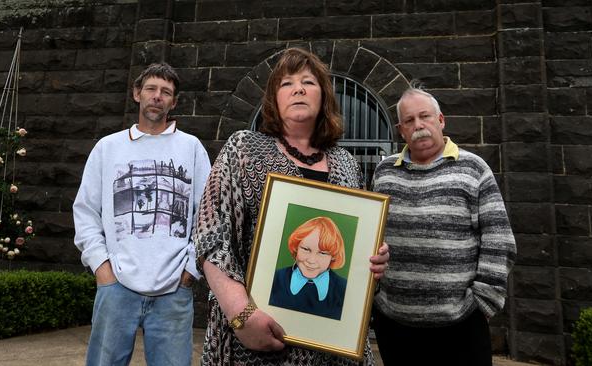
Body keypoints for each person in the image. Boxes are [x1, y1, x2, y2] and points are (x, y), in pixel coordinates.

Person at [193, 47, 389, 365]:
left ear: (324, 96)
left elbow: (355, 255)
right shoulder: (244, 149)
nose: (298, 88)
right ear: (274, 99)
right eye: (287, 83)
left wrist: (373, 262)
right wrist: (241, 315)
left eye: (308, 82)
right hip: (254, 347)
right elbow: (211, 236)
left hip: (334, 350)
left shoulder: (347, 164)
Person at [73, 62, 211, 366]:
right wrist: (102, 269)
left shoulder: (192, 148)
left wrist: (190, 272)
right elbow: (85, 212)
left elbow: (208, 217)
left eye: (166, 92)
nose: (157, 96)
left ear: (173, 102)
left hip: (173, 291)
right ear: (137, 94)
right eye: (151, 89)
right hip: (116, 288)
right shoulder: (108, 148)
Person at [370, 87, 517, 366]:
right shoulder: (384, 172)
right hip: (394, 325)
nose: (418, 125)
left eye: (424, 116)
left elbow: (499, 240)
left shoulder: (474, 169)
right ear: (401, 130)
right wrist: (374, 295)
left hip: (460, 327)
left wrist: (482, 304)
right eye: (409, 121)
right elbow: (372, 235)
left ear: (441, 120)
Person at [268, 216, 347, 320]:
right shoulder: (275, 279)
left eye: (322, 253)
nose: (311, 260)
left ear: (333, 256)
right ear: (296, 248)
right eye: (306, 249)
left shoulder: (344, 289)